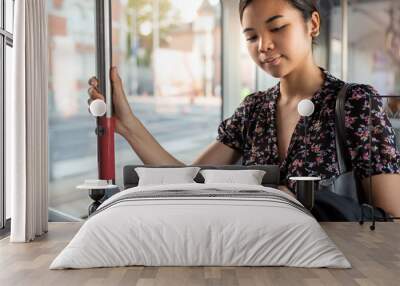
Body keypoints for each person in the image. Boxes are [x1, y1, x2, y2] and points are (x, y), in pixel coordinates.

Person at [88, 0, 400, 217]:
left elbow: (392, 218)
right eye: (251, 37)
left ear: (312, 23)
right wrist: (128, 125)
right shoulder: (254, 110)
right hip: (257, 259)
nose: (263, 45)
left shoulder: (357, 104)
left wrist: (310, 201)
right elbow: (186, 182)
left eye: (277, 28)